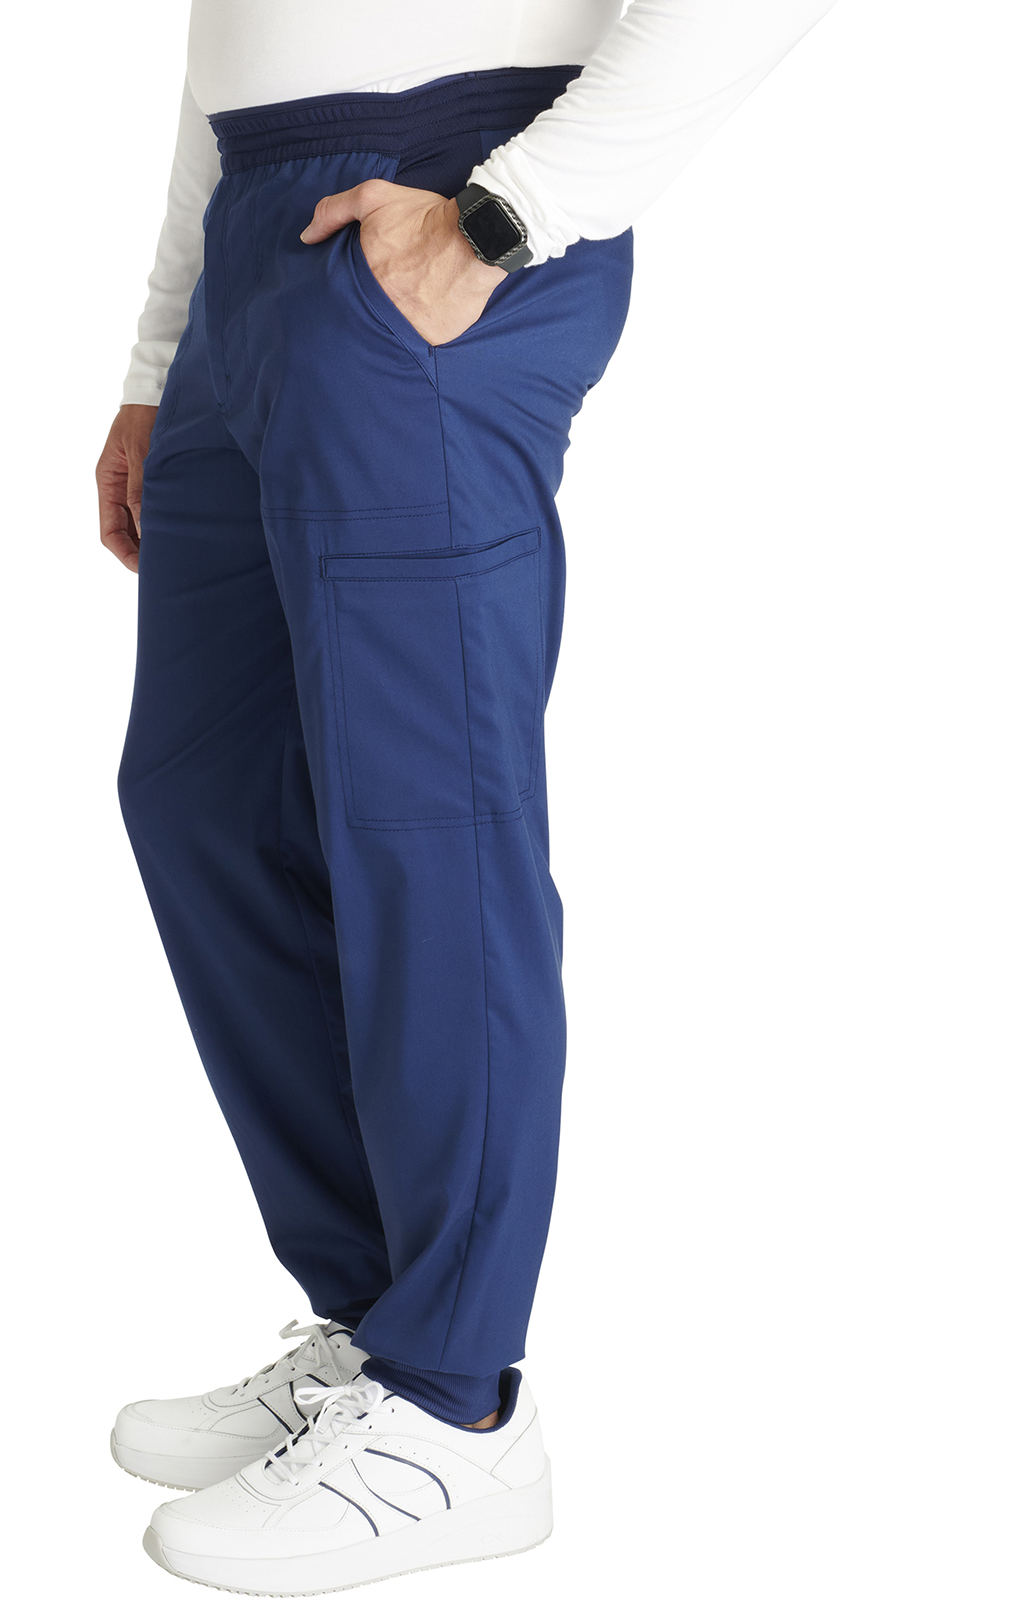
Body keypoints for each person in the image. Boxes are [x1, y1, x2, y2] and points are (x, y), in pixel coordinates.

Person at [97, 2, 835, 1590]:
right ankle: (382, 1329)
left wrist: (507, 214)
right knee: (202, 799)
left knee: (424, 821)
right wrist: (162, 354)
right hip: (257, 230)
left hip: (442, 189)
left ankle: (457, 1408)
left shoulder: (474, 210)